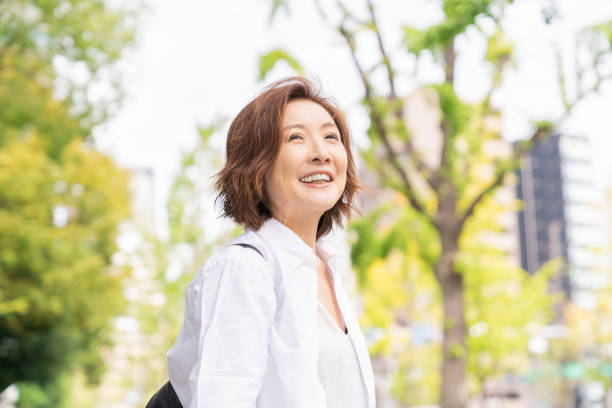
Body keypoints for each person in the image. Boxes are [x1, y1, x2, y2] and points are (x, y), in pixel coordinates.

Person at [165, 77, 376, 407]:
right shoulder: (244, 271)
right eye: (296, 138)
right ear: (257, 165)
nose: (321, 153)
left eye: (331, 137)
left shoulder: (327, 270)